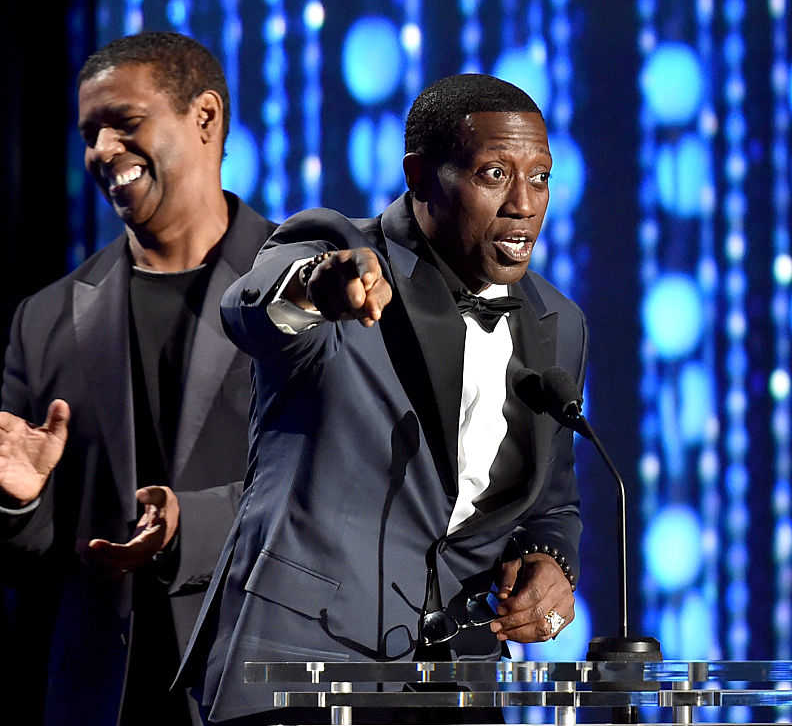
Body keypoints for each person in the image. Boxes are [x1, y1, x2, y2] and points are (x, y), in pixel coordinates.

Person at [176, 73, 587, 724]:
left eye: (540, 177)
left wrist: (551, 561)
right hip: (303, 669)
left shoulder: (558, 322)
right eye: (493, 174)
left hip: (459, 682)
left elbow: (551, 498)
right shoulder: (339, 248)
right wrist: (316, 288)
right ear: (420, 175)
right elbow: (248, 309)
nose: (524, 203)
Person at [0, 32, 275, 726]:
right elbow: (12, 555)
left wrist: (188, 526)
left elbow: (346, 492)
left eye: (126, 124)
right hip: (105, 700)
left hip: (266, 691)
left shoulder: (307, 287)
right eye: (90, 132)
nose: (103, 150)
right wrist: (20, 503)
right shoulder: (46, 317)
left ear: (205, 118)